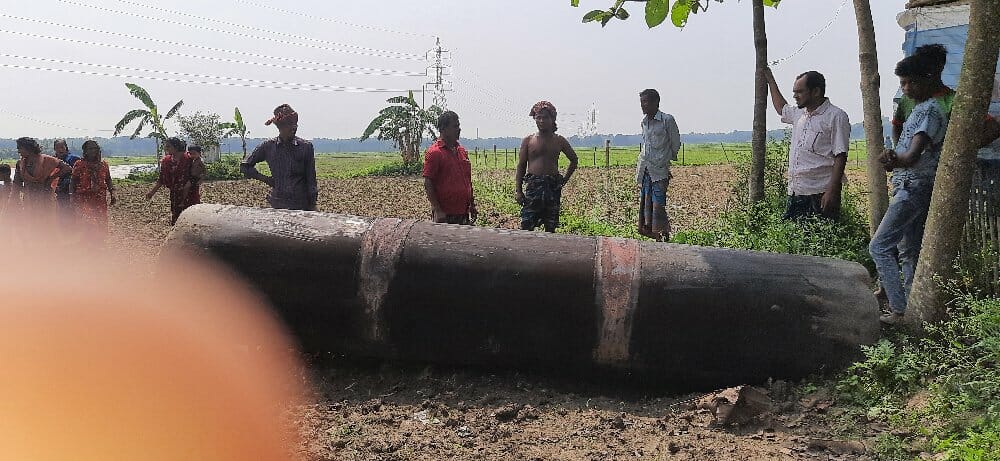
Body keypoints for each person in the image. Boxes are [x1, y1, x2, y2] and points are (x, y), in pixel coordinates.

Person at [870, 52, 949, 326]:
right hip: (910, 185)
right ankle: (913, 310)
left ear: (927, 80)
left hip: (912, 188)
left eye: (910, 83)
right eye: (902, 84)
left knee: (879, 247)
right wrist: (894, 160)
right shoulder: (920, 108)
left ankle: (899, 308)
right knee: (908, 251)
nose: (905, 88)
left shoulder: (929, 110)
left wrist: (893, 159)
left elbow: (913, 155)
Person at [763, 68, 851, 220]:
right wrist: (770, 80)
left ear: (816, 92)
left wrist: (832, 191)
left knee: (820, 239)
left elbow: (840, 155)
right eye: (794, 92)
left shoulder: (836, 116)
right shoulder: (799, 114)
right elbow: (781, 108)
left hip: (820, 192)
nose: (795, 96)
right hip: (796, 191)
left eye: (800, 92)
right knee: (794, 238)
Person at [891, 43, 998, 148]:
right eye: (921, 67)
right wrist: (898, 150)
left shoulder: (955, 101)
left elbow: (991, 125)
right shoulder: (907, 99)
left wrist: (961, 149)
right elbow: (897, 125)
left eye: (929, 68)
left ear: (940, 68)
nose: (926, 71)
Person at [515, 101, 578, 233]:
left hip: (552, 186)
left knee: (551, 226)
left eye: (545, 117)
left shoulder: (559, 140)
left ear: (552, 119)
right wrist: (519, 191)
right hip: (533, 186)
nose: (542, 121)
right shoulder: (528, 140)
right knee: (527, 225)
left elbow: (574, 160)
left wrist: (564, 180)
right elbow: (521, 166)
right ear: (534, 119)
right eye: (538, 117)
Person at [241, 104, 318, 211]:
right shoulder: (268, 146)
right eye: (289, 124)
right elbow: (245, 166)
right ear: (280, 127)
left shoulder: (306, 147)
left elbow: (311, 180)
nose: (294, 128)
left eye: (295, 124)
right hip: (277, 203)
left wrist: (313, 204)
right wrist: (267, 179)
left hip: (301, 204)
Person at [636, 89, 680, 241]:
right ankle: (655, 237)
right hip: (646, 170)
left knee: (658, 205)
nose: (643, 106)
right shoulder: (644, 123)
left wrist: (665, 160)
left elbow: (675, 144)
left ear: (656, 102)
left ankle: (663, 236)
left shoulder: (667, 120)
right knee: (646, 205)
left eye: (646, 102)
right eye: (641, 102)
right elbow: (646, 146)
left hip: (660, 171)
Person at [422, 111, 476, 224]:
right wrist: (437, 210)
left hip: (463, 212)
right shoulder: (435, 153)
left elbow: (467, 181)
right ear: (443, 129)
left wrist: (472, 205)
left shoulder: (461, 151)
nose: (459, 129)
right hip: (446, 215)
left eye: (459, 126)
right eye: (455, 126)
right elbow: (428, 182)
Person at [9, 137, 72, 211]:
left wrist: (51, 179)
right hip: (28, 201)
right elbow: (16, 184)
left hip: (46, 200)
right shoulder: (20, 164)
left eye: (20, 148)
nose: (18, 151)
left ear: (28, 148)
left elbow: (67, 168)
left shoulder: (47, 160)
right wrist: (12, 202)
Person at [145, 137, 197, 225]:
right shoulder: (166, 161)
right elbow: (161, 179)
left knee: (191, 217)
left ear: (176, 147)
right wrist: (151, 193)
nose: (166, 149)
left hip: (190, 194)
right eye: (166, 146)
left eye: (168, 147)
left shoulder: (189, 159)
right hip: (175, 195)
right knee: (176, 216)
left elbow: (197, 174)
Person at [71, 140, 115, 236]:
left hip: (100, 199)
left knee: (100, 221)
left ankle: (99, 244)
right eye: (90, 148)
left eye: (95, 148)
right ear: (85, 151)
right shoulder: (79, 164)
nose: (93, 151)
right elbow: (73, 180)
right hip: (84, 199)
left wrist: (112, 193)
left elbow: (108, 179)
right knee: (88, 223)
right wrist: (72, 196)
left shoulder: (104, 165)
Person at [53, 139, 81, 214]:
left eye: (62, 147)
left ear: (66, 147)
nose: (60, 150)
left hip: (72, 190)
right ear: (54, 149)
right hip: (58, 192)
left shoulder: (74, 158)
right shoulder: (52, 160)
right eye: (57, 148)